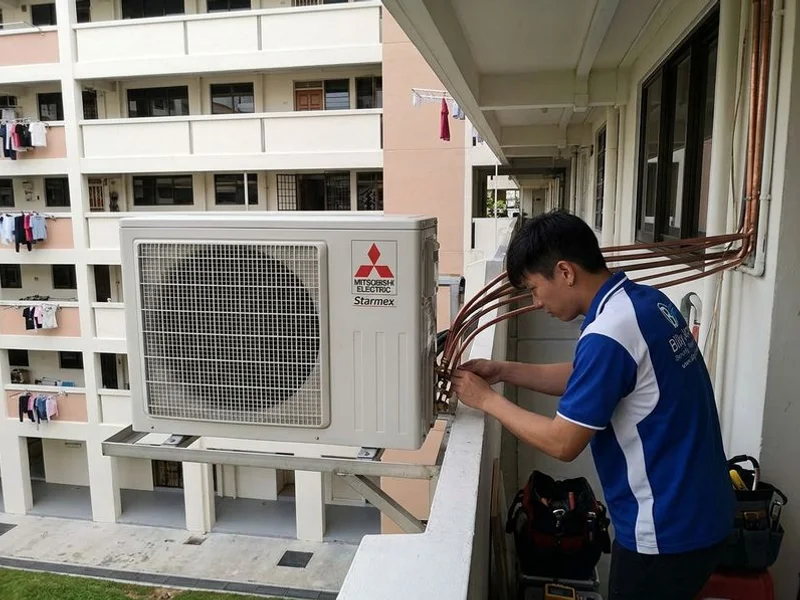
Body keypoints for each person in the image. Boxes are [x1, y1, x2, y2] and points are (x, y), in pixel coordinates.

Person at [451, 210, 735, 600]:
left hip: (666, 530)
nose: (536, 302)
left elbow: (562, 442)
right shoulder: (643, 302)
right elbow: (590, 377)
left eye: (535, 288)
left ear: (565, 272)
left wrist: (486, 400)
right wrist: (502, 370)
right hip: (703, 508)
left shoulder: (610, 333)